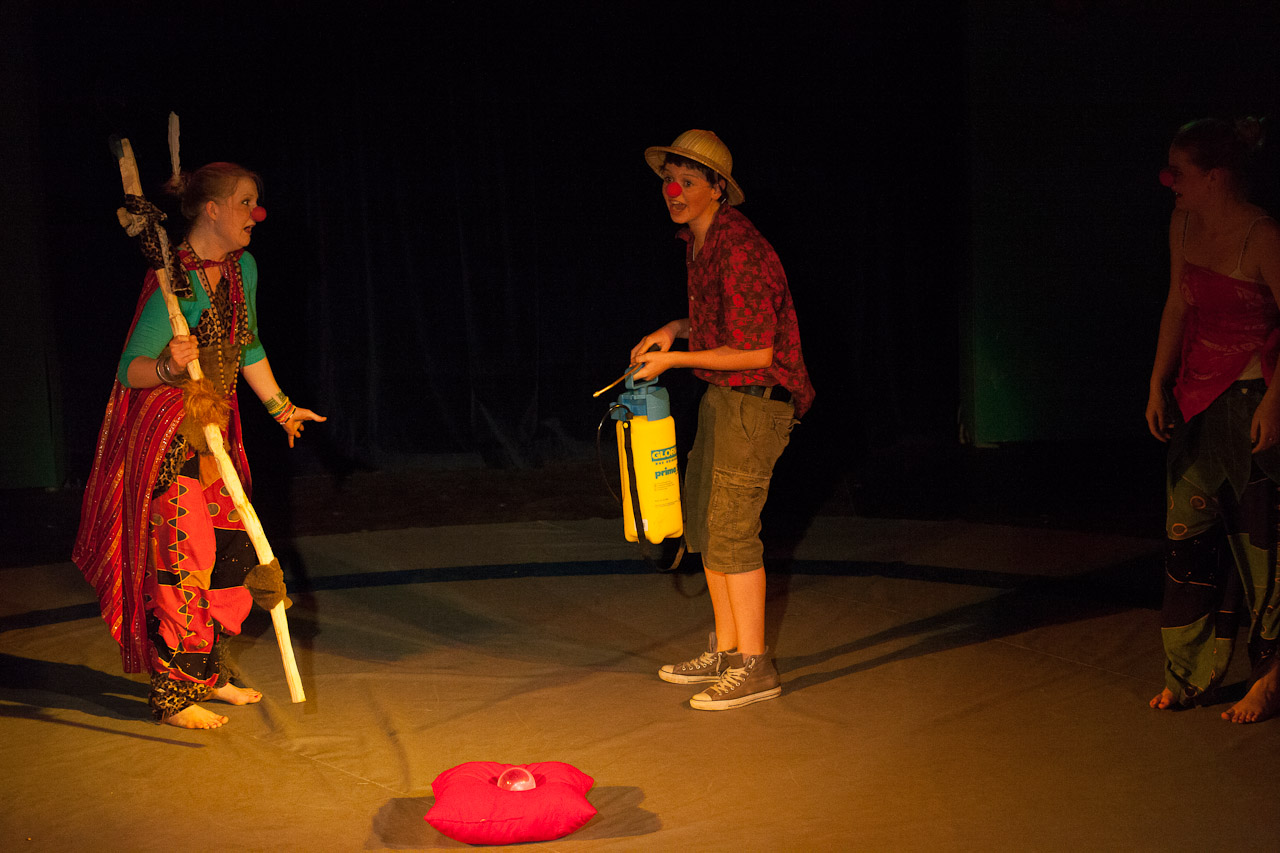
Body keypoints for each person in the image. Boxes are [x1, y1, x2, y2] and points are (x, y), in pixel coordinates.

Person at [74, 162, 325, 729]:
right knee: (185, 554)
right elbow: (129, 369)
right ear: (211, 209)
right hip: (169, 434)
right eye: (245, 202)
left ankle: (208, 672)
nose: (256, 214)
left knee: (233, 550)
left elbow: (248, 345)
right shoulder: (172, 280)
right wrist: (166, 366)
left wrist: (282, 409)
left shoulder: (242, 268)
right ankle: (174, 691)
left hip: (214, 435)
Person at [630, 129, 814, 710]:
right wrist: (673, 329)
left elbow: (758, 350)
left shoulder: (739, 248)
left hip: (756, 401)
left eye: (687, 181)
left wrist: (674, 360)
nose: (674, 191)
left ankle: (755, 666)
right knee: (708, 526)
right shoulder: (699, 241)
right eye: (669, 180)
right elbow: (721, 323)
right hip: (724, 396)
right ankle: (729, 650)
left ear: (717, 189)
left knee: (733, 531)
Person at [1146, 117, 1280, 723]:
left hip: (1254, 399)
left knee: (1262, 543)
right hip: (1198, 400)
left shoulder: (1263, 235)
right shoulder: (1183, 224)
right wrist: (1157, 382)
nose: (1171, 182)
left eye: (1180, 173)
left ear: (1215, 177)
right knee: (1188, 536)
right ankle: (1188, 671)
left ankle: (1271, 677)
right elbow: (1178, 302)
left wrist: (1275, 402)